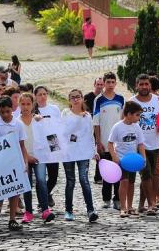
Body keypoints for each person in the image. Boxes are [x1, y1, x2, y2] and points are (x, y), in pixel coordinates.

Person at [129, 73, 159, 215]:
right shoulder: (131, 102)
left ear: (150, 85)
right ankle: (151, 204)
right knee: (146, 173)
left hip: (155, 144)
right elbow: (123, 121)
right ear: (136, 86)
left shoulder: (158, 100)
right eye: (141, 84)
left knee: (147, 175)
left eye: (146, 84)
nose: (144, 87)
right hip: (137, 146)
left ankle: (141, 205)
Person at [0, 96, 28, 231]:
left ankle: (12, 219)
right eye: (2, 112)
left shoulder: (18, 124)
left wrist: (25, 162)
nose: (5, 114)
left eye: (7, 111)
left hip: (15, 162)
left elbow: (22, 145)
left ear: (12, 110)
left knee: (15, 190)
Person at [61, 89, 99, 223]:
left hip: (83, 152)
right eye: (73, 97)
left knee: (84, 179)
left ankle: (90, 210)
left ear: (82, 98)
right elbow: (64, 132)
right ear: (69, 100)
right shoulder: (65, 113)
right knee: (70, 181)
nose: (76, 99)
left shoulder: (88, 116)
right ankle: (69, 210)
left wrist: (94, 150)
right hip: (68, 152)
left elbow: (89, 134)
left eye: (78, 97)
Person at [18, 93, 55, 224]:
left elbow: (50, 134)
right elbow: (16, 143)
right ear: (19, 105)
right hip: (24, 157)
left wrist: (55, 151)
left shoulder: (38, 120)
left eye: (28, 104)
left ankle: (45, 210)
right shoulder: (17, 122)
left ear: (33, 104)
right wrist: (27, 157)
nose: (26, 107)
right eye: (23, 104)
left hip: (39, 156)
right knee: (27, 184)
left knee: (41, 180)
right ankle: (28, 212)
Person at [107, 101, 146, 217]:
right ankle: (123, 207)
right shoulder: (117, 127)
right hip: (122, 160)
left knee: (131, 183)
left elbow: (140, 144)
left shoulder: (137, 127)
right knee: (123, 182)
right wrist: (115, 158)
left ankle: (130, 206)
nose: (138, 118)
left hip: (133, 161)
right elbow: (110, 144)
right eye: (137, 115)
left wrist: (143, 158)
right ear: (129, 114)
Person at [92, 72, 125, 209]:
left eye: (113, 82)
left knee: (118, 170)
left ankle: (117, 198)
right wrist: (98, 141)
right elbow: (96, 122)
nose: (110, 85)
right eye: (108, 82)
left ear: (115, 83)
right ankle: (106, 198)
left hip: (118, 142)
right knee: (107, 171)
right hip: (105, 140)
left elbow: (123, 119)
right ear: (103, 83)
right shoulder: (98, 100)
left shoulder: (121, 98)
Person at [33, 85, 61, 208]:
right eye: (40, 94)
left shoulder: (54, 108)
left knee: (54, 175)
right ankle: (42, 201)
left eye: (44, 94)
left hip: (52, 140)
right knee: (40, 177)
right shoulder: (33, 110)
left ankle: (47, 193)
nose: (43, 97)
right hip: (39, 144)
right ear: (35, 96)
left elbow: (60, 124)